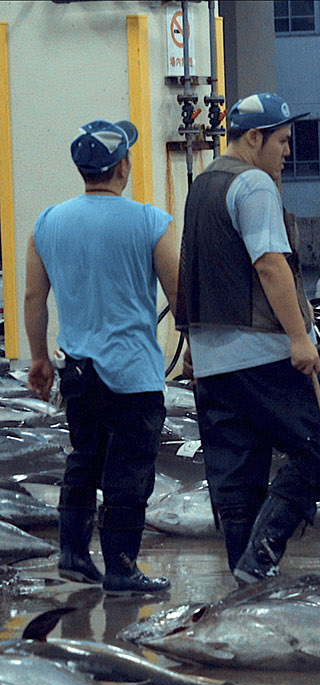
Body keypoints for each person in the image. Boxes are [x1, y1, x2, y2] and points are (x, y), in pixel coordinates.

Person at [177, 92, 320, 583]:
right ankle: (262, 556)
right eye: (283, 141)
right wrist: (299, 339)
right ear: (254, 138)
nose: (287, 152)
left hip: (213, 364)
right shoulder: (253, 184)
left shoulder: (203, 182)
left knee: (236, 477)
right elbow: (270, 263)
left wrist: (190, 345)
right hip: (262, 354)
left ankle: (246, 581)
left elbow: (194, 270)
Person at [22, 119, 179, 595]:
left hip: (78, 370)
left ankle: (72, 554)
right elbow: (183, 295)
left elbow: (32, 297)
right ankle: (122, 568)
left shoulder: (47, 222)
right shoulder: (151, 222)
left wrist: (38, 360)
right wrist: (191, 344)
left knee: (84, 459)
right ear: (123, 166)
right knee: (129, 471)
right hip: (133, 375)